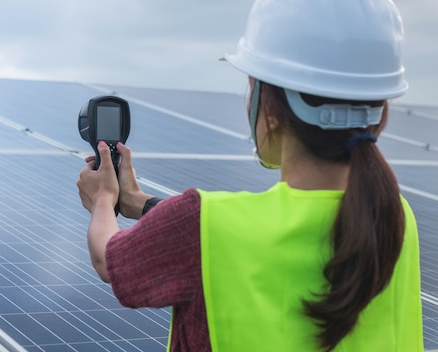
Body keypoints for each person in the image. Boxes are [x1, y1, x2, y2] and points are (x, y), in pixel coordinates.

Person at [76, 0, 423, 350]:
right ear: (382, 114)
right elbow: (243, 236)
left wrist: (103, 199)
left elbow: (109, 260)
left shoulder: (200, 223)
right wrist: (143, 204)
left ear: (269, 109)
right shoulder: (393, 216)